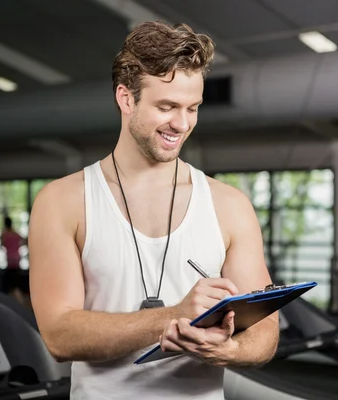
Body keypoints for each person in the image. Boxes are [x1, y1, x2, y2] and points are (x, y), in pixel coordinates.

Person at [28, 21, 279, 399]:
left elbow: (265, 330)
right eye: (167, 106)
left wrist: (229, 350)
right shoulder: (63, 201)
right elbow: (59, 336)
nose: (181, 124)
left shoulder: (229, 205)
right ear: (126, 99)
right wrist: (174, 314)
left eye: (192, 108)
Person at [1, 216, 26, 305]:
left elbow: (2, 244)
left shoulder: (5, 234)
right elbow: (24, 240)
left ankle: (18, 302)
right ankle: (17, 301)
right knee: (13, 282)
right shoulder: (15, 233)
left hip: (10, 261)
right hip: (17, 259)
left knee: (11, 284)